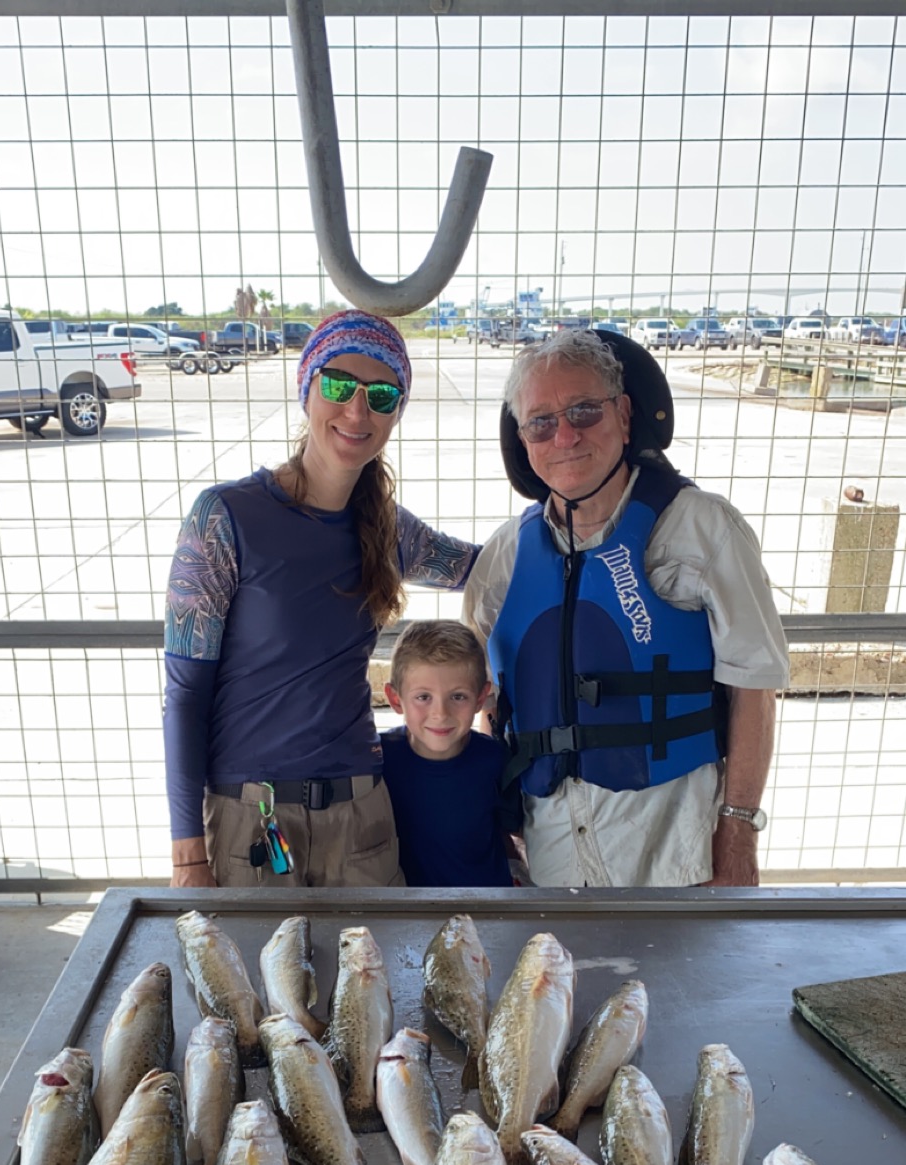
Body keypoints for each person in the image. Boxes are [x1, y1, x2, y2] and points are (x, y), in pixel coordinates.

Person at [462, 329, 790, 888]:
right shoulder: (507, 554)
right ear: (522, 440)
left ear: (625, 414)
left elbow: (754, 687)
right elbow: (482, 698)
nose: (564, 435)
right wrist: (490, 823)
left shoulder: (701, 528)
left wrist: (738, 832)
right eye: (541, 421)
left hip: (674, 847)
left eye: (584, 411)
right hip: (551, 847)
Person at [163, 311, 478, 889]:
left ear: (396, 413)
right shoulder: (225, 519)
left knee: (373, 981)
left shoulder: (388, 530)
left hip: (361, 821)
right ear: (307, 389)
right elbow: (185, 697)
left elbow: (485, 567)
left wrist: (569, 516)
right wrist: (188, 855)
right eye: (338, 386)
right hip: (250, 826)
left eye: (381, 396)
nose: (357, 411)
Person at [381, 619, 524, 887]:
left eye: (458, 697)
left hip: (486, 910)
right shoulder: (378, 760)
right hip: (404, 914)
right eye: (423, 697)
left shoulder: (497, 760)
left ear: (481, 699)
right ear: (395, 699)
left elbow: (512, 834)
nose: (440, 714)